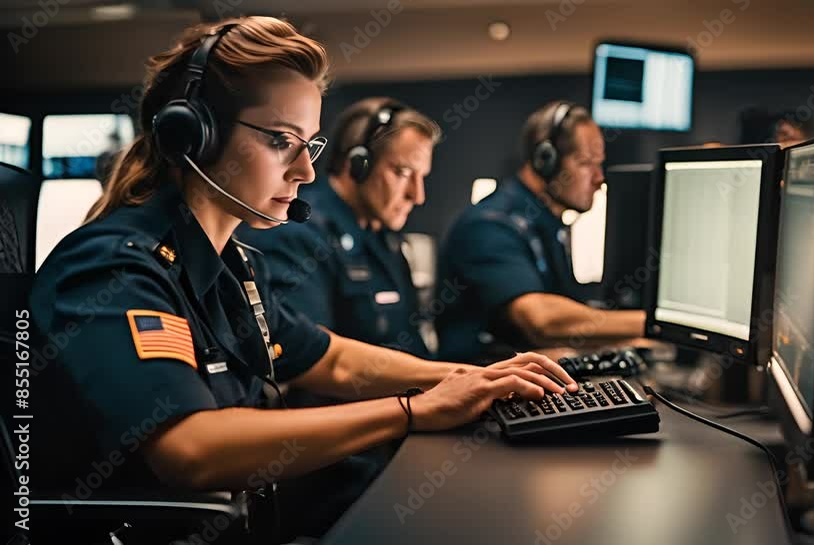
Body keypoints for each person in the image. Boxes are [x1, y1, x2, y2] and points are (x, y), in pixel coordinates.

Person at [29, 17, 574, 543]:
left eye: (307, 144)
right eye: (280, 141)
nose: (306, 171)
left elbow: (331, 359)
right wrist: (412, 410)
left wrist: (468, 378)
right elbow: (190, 448)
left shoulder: (232, 266)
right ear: (194, 136)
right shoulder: (115, 269)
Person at [435, 101, 646, 362]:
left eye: (599, 164)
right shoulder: (490, 225)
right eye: (586, 163)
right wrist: (654, 323)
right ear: (546, 160)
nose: (599, 178)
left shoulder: (548, 224)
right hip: (476, 381)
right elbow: (542, 320)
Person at [238, 97, 438, 360]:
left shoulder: (384, 238)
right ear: (358, 164)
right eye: (402, 172)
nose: (417, 195)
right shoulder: (297, 233)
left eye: (421, 177)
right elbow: (311, 361)